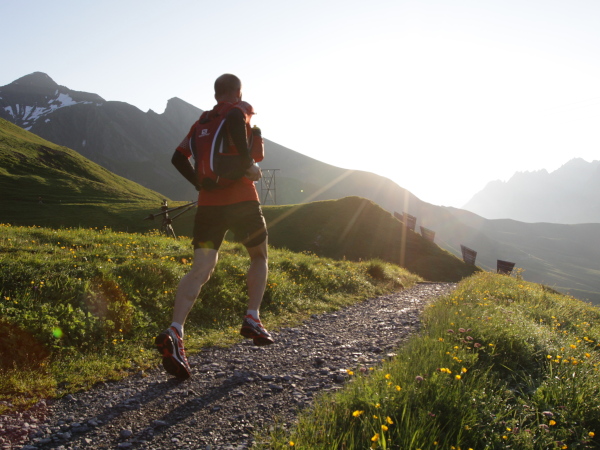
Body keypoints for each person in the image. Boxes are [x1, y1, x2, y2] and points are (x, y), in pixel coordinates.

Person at [155, 74, 272, 380]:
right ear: (237, 93)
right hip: (241, 200)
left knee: (201, 269)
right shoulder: (237, 110)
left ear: (215, 93)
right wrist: (247, 165)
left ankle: (175, 330)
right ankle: (252, 317)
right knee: (259, 256)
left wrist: (199, 183)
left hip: (209, 205)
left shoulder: (201, 123)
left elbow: (177, 157)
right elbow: (234, 120)